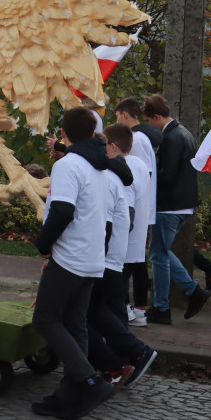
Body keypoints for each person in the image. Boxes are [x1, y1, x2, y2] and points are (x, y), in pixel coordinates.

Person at [30, 106, 115, 420]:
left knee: (46, 320)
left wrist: (43, 245)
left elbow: (63, 211)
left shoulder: (69, 166)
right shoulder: (100, 167)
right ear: (93, 133)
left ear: (63, 134)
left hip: (69, 257)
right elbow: (105, 222)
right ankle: (69, 395)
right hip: (92, 257)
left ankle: (90, 381)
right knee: (75, 324)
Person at [88, 123, 158, 388]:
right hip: (127, 248)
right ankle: (125, 359)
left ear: (113, 146)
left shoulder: (122, 170)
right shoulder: (139, 165)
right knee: (111, 307)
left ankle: (132, 354)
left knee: (100, 308)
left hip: (116, 251)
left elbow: (123, 214)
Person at [142, 94, 210, 324]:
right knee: (161, 252)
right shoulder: (185, 133)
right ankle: (191, 292)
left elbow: (167, 175)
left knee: (158, 256)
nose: (150, 128)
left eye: (149, 122)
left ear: (157, 117)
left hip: (169, 205)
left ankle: (163, 307)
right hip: (182, 205)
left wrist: (146, 175)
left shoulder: (170, 138)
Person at [114, 97, 157, 321]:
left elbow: (135, 177)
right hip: (139, 210)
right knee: (136, 262)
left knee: (129, 264)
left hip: (135, 211)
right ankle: (136, 308)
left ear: (124, 115)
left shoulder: (137, 140)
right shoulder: (140, 139)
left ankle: (132, 309)